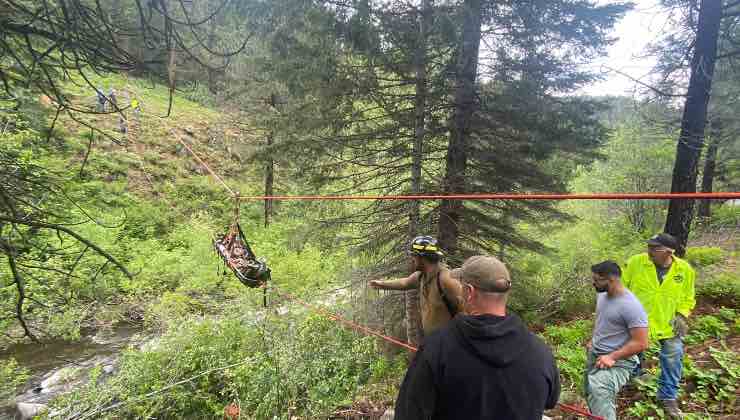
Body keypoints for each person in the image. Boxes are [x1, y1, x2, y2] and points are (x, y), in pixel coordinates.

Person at [394, 255, 560, 420]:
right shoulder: (541, 352)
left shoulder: (436, 348)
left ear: (470, 292)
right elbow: (550, 401)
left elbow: (408, 412)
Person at [623, 233, 695, 418]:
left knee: (673, 357)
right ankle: (635, 381)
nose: (649, 251)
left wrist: (682, 315)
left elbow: (688, 297)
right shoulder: (636, 262)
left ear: (669, 252)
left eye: (655, 248)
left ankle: (668, 397)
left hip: (668, 323)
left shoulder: (685, 270)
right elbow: (621, 288)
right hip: (637, 321)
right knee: (634, 352)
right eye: (649, 246)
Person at [584, 261, 649, 420]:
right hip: (596, 355)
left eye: (597, 280)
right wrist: (594, 339)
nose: (593, 283)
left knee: (600, 389)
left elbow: (641, 343)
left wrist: (612, 357)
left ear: (611, 280)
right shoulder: (602, 295)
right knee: (590, 392)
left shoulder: (631, 306)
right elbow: (603, 319)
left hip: (619, 360)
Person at [369, 236, 462, 337]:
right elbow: (404, 283)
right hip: (432, 343)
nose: (412, 260)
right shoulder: (421, 276)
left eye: (413, 256)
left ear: (422, 258)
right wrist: (381, 284)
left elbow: (467, 309)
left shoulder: (446, 279)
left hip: (449, 345)